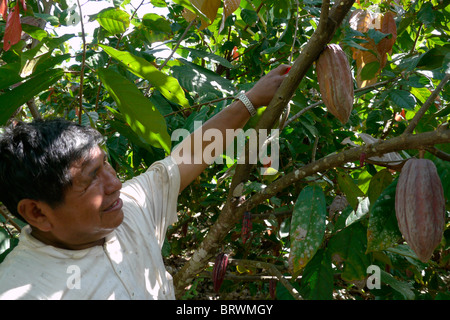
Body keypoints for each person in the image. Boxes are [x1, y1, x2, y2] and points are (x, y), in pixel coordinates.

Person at [0, 64, 289, 299]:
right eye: (91, 179)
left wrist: (251, 100)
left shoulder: (127, 211)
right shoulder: (25, 290)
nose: (114, 184)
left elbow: (188, 156)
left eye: (106, 164)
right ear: (37, 212)